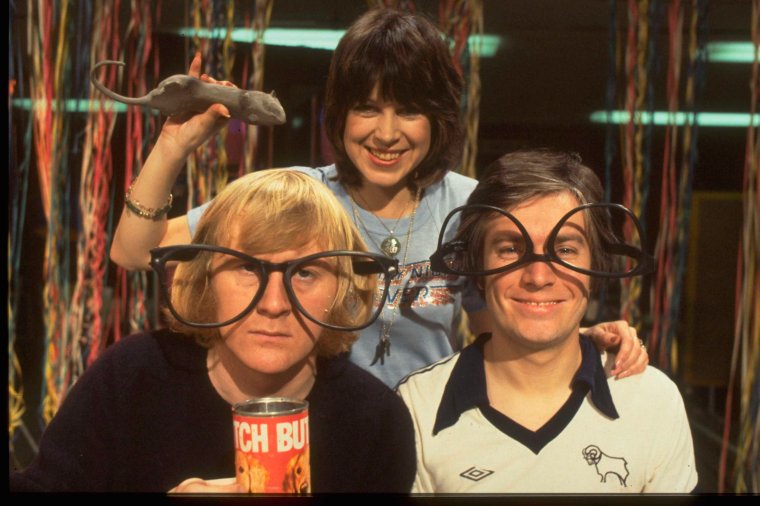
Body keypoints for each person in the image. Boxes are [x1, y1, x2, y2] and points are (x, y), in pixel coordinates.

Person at [108, 8, 648, 388]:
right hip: (317, 425)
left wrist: (579, 338)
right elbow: (134, 253)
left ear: (438, 121)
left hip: (427, 436)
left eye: (408, 110)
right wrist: (172, 145)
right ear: (338, 115)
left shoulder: (471, 206)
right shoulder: (299, 198)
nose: (386, 133)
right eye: (367, 107)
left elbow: (499, 333)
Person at [10, 170, 416, 493]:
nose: (273, 304)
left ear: (342, 287)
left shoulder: (375, 421)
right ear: (206, 278)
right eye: (246, 268)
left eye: (305, 273)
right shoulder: (131, 379)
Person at [396, 150, 698, 493]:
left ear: (596, 269)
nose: (538, 276)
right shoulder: (416, 407)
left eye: (566, 250)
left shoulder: (653, 402)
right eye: (510, 248)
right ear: (477, 269)